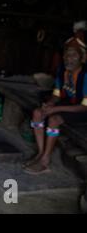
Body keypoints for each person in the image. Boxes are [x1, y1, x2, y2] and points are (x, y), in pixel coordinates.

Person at [24, 35, 87, 174]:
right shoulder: (62, 71)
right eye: (66, 55)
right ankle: (40, 153)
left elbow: (84, 106)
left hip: (83, 110)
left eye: (73, 55)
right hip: (69, 105)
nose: (68, 58)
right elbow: (57, 94)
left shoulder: (85, 75)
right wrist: (49, 104)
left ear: (82, 57)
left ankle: (46, 161)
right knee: (37, 113)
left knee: (54, 119)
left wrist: (56, 109)